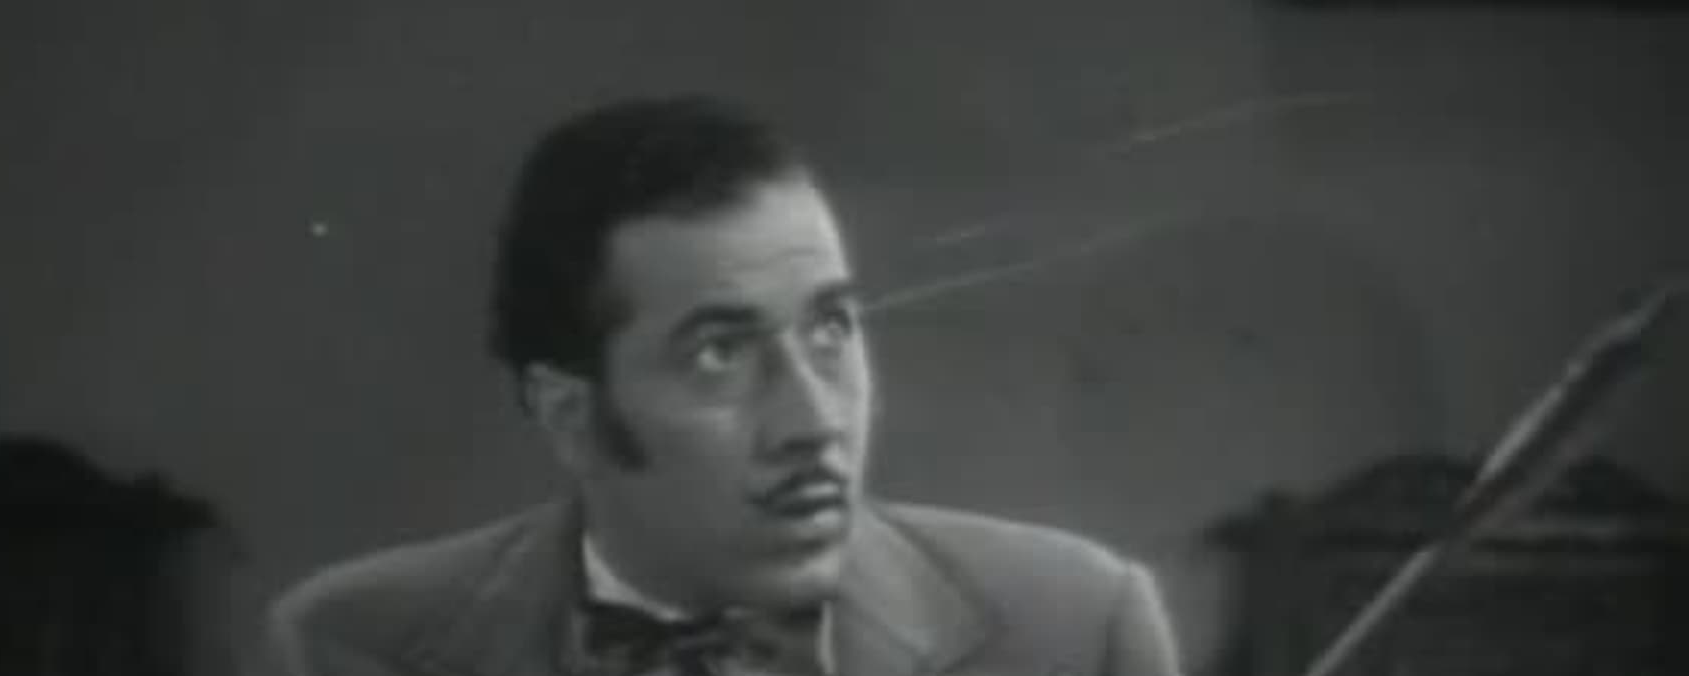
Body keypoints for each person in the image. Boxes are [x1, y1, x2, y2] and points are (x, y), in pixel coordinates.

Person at [268, 95, 1182, 676]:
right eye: (719, 354)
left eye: (831, 329)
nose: (814, 422)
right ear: (572, 417)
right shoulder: (344, 645)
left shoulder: (1078, 632)